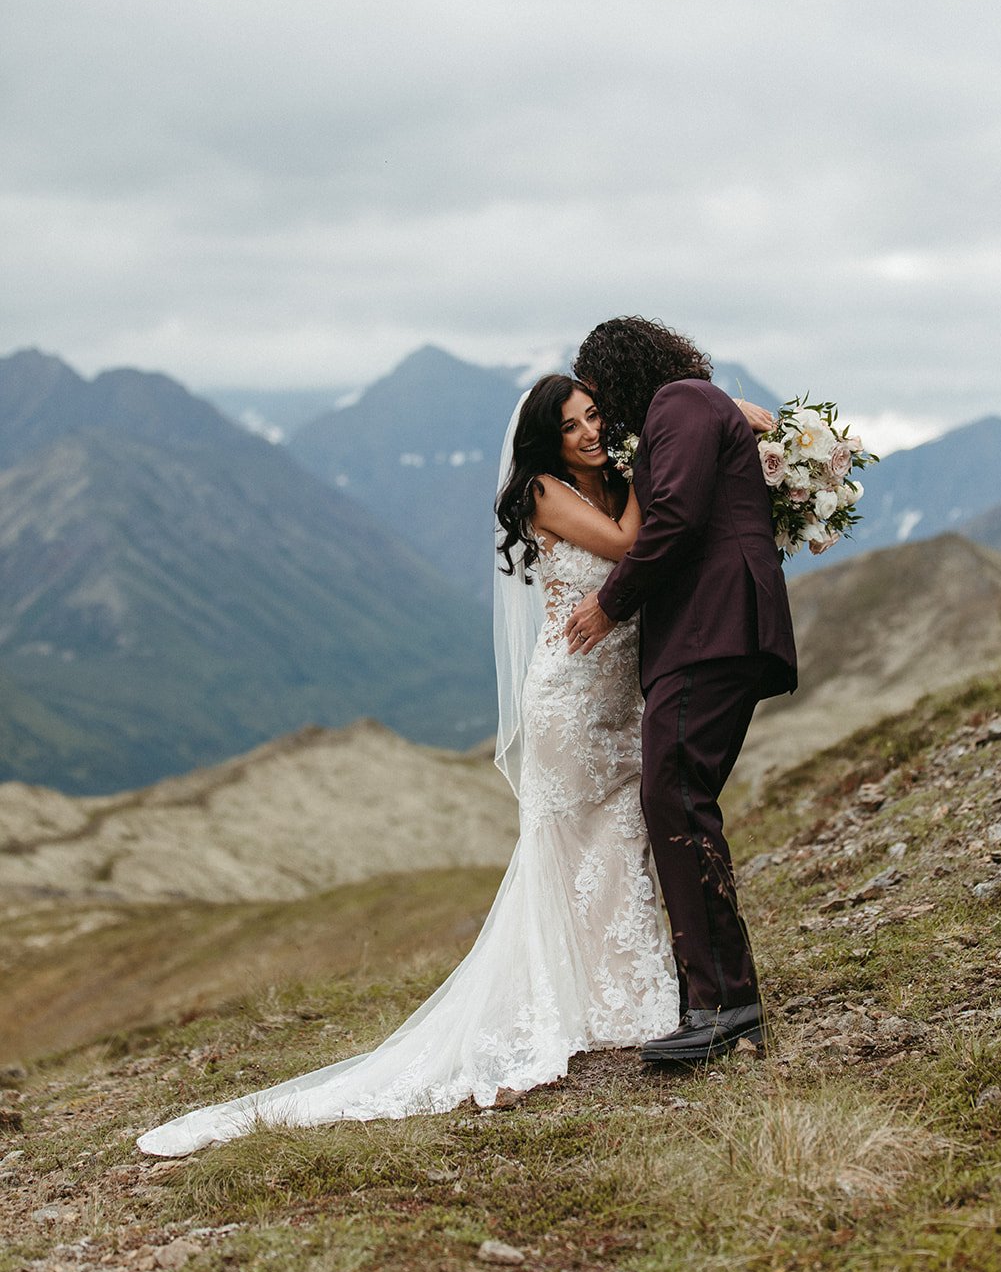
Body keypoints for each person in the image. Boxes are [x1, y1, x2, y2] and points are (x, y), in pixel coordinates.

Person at [137, 373, 678, 1156]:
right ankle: (562, 1005)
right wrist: (653, 467)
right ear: (546, 440)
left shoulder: (615, 482)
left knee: (618, 844)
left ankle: (623, 998)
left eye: (596, 417)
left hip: (618, 703)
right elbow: (629, 548)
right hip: (567, 704)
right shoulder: (543, 491)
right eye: (572, 425)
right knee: (561, 855)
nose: (590, 432)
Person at [564, 318, 798, 1066]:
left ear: (624, 374)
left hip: (711, 626)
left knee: (672, 792)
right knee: (678, 796)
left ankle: (720, 1007)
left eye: (600, 400)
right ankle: (724, 1004)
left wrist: (609, 603)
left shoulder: (681, 402)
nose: (603, 418)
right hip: (714, 629)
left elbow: (675, 519)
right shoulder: (694, 402)